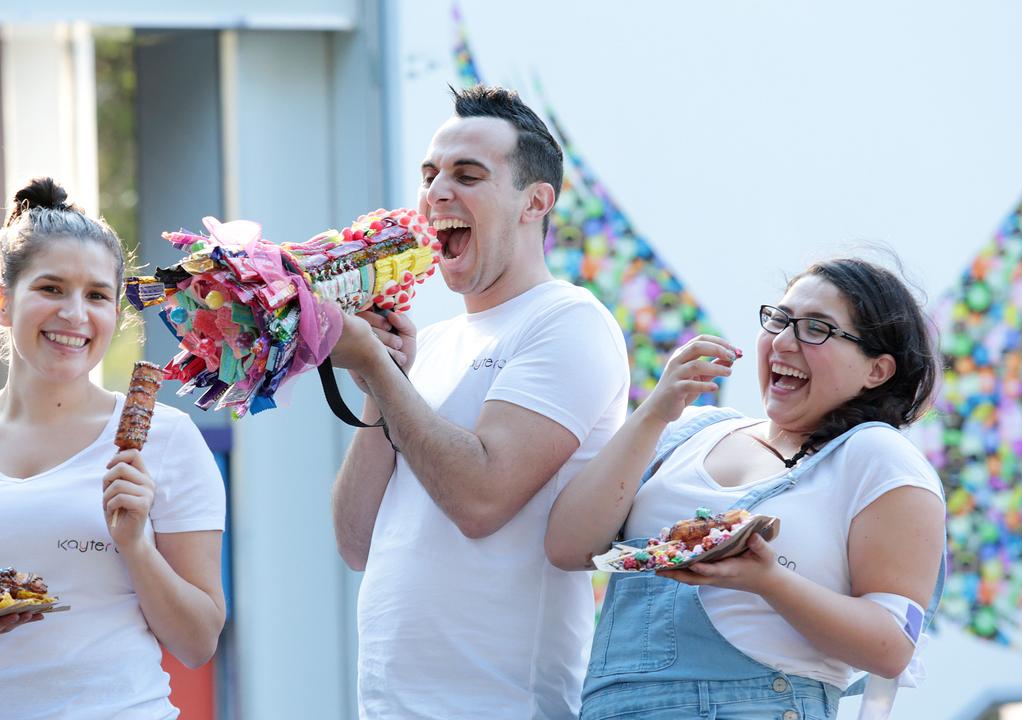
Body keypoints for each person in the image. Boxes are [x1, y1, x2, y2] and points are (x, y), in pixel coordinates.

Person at [328, 85, 631, 719]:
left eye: (468, 175)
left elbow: (480, 499)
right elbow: (357, 541)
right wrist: (385, 383)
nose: (438, 193)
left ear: (535, 202)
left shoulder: (568, 320)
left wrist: (382, 378)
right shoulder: (433, 343)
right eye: (430, 175)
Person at [0, 178, 227, 719]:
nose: (75, 315)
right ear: (1, 302)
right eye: (51, 288)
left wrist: (136, 545)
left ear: (115, 313)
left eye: (97, 296)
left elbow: (197, 643)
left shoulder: (167, 438)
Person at [546, 257, 946, 720]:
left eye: (816, 328)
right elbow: (567, 546)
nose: (782, 341)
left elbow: (893, 645)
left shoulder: (878, 455)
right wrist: (657, 409)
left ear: (876, 371)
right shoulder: (688, 430)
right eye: (778, 320)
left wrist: (767, 581)